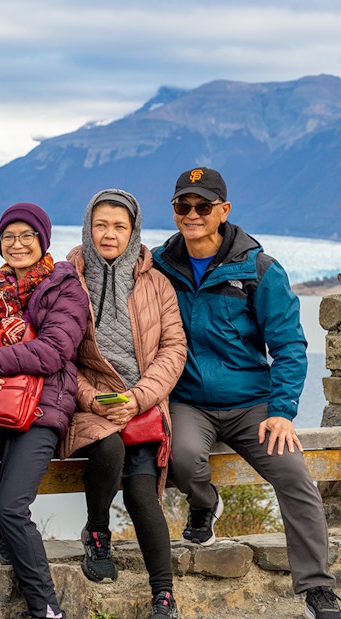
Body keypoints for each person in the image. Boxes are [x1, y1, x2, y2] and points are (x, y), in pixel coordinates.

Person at [151, 166, 341, 619]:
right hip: (188, 402)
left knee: (295, 477)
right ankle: (204, 506)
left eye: (203, 205)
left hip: (253, 406)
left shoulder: (259, 270)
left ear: (224, 210)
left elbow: (290, 346)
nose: (192, 214)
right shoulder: (158, 264)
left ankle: (317, 588)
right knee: (179, 458)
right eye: (183, 205)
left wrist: (282, 411)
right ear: (174, 210)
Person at [0, 202, 88, 619]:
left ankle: (46, 609)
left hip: (44, 405)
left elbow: (53, 351)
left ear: (43, 240)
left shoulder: (66, 288)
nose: (18, 244)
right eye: (9, 237)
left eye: (27, 235)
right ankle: (14, 537)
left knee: (11, 507)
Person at [61, 189, 187, 619]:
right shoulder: (67, 280)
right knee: (110, 447)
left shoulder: (156, 283)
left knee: (140, 491)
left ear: (133, 231)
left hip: (142, 405)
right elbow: (58, 353)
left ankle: (164, 596)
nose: (109, 234)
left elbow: (173, 350)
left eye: (119, 226)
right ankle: (97, 533)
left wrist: (136, 399)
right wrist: (92, 399)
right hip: (89, 404)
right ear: (87, 227)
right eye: (101, 225)